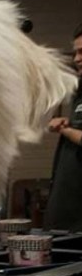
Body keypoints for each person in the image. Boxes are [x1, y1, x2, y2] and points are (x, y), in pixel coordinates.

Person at [43, 24, 82, 231]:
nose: (76, 59)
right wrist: (67, 125)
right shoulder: (79, 90)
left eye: (81, 52)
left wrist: (64, 131)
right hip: (68, 199)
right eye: (75, 52)